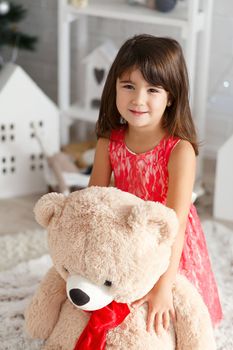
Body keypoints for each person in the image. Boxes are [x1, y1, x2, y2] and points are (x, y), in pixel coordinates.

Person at [89, 34, 222, 333]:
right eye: (128, 86)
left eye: (152, 89)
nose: (138, 99)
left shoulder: (179, 150)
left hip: (169, 246)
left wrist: (163, 285)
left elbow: (175, 226)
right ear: (114, 88)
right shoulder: (108, 141)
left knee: (168, 318)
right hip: (127, 236)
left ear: (170, 96)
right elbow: (94, 204)